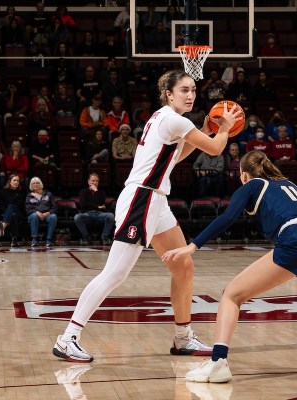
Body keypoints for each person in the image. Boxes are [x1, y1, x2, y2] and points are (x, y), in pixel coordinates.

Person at [52, 69, 242, 363]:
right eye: (184, 90)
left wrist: (205, 131)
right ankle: (68, 338)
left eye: (193, 90)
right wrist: (225, 127)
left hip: (156, 200)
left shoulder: (163, 117)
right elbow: (218, 149)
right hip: (142, 198)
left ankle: (183, 339)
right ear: (169, 93)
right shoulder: (173, 119)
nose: (190, 95)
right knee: (116, 273)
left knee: (183, 265)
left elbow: (175, 157)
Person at [161, 150, 297, 383]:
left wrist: (193, 246)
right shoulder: (287, 183)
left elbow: (227, 217)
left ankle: (217, 362)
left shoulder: (251, 185)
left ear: (243, 174)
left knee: (231, 295)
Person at [74, 173, 115, 245]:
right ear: (88, 181)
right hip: (86, 214)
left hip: (99, 214)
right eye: (93, 181)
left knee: (110, 216)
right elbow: (83, 204)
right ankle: (86, 237)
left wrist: (96, 191)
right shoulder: (83, 192)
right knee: (77, 217)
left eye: (97, 181)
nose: (95, 183)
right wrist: (97, 206)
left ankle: (104, 237)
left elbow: (100, 202)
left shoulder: (101, 192)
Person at [26, 176, 57, 247]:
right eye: (33, 183)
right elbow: (28, 209)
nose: (35, 185)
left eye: (37, 183)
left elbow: (54, 207)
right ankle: (34, 240)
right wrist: (37, 212)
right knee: (34, 216)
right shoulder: (29, 196)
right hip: (34, 215)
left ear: (41, 184)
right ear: (31, 185)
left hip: (47, 214)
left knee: (53, 216)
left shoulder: (48, 194)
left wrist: (48, 213)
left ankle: (49, 240)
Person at [0, 173, 25, 247]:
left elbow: (20, 206)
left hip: (18, 212)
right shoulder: (3, 191)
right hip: (5, 213)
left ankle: (3, 225)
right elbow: (1, 206)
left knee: (12, 206)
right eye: (14, 180)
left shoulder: (20, 192)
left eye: (17, 181)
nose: (16, 182)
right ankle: (14, 239)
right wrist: (7, 212)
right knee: (12, 215)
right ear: (10, 181)